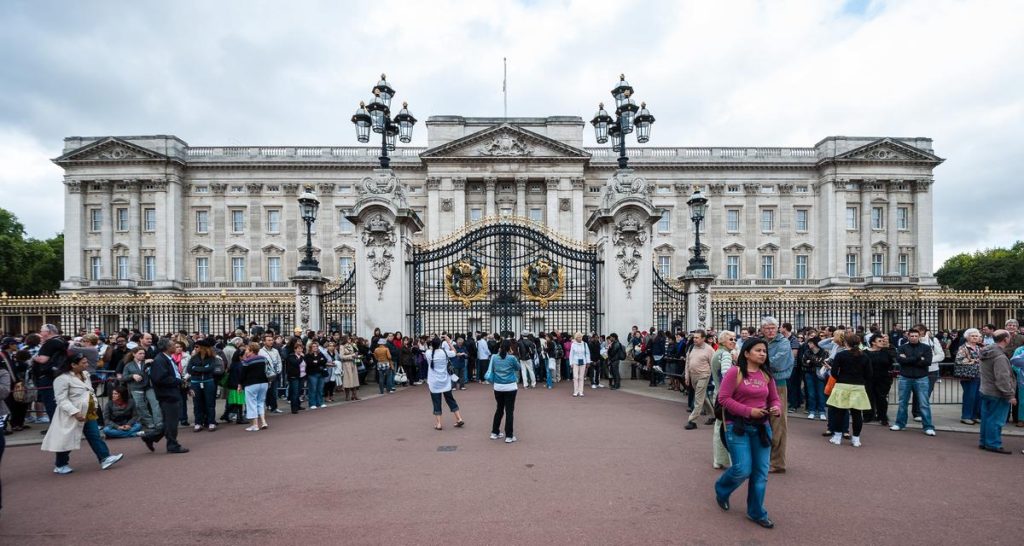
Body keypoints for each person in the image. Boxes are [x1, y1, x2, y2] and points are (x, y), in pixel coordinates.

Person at [714, 338, 781, 529]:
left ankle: (756, 511)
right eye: (758, 350)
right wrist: (748, 411)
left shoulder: (766, 375)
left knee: (760, 473)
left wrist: (776, 408)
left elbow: (775, 399)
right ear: (746, 353)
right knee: (743, 469)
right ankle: (721, 489)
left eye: (764, 351)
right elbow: (724, 398)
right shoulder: (735, 372)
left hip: (762, 427)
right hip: (738, 426)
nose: (762, 354)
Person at [41, 351, 125, 473]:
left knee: (95, 435)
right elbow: (61, 399)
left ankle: (105, 458)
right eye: (83, 362)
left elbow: (89, 391)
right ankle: (60, 465)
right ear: (73, 365)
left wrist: (94, 405)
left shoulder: (85, 374)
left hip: (88, 411)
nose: (87, 364)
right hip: (71, 414)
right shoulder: (62, 379)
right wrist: (74, 412)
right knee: (67, 439)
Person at [142, 339, 189, 454]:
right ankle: (172, 444)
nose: (175, 346)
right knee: (172, 422)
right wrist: (177, 381)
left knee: (169, 421)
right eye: (173, 345)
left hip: (172, 392)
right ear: (167, 348)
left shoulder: (167, 358)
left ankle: (150, 437)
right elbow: (159, 379)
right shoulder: (160, 360)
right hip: (167, 394)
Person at [825, 333, 872, 447]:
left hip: (842, 385)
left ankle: (837, 436)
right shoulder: (864, 356)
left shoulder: (841, 355)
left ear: (846, 343)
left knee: (840, 412)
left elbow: (834, 373)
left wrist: (841, 378)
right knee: (857, 414)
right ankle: (856, 439)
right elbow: (869, 374)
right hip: (858, 386)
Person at [761, 317, 793, 474]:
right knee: (762, 421)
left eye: (773, 328)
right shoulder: (761, 342)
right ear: (762, 330)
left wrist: (758, 361)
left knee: (778, 424)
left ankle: (778, 463)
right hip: (761, 385)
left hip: (778, 386)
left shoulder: (784, 343)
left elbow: (778, 363)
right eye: (767, 328)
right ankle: (765, 459)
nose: (770, 331)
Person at [891, 329, 936, 436]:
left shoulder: (926, 347)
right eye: (912, 336)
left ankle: (928, 426)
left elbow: (927, 362)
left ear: (919, 336)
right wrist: (918, 358)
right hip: (905, 377)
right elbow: (901, 361)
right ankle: (900, 424)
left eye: (916, 336)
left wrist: (909, 359)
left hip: (921, 378)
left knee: (924, 403)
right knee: (902, 402)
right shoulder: (902, 348)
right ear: (908, 336)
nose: (914, 338)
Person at [978, 330, 1016, 453]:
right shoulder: (1000, 357)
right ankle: (993, 443)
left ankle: (984, 441)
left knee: (987, 418)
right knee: (996, 420)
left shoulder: (987, 352)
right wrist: (1010, 395)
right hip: (997, 393)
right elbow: (1002, 378)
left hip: (986, 390)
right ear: (1005, 339)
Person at [426, 336, 465, 430]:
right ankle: (459, 418)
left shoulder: (428, 353)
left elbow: (429, 349)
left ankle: (439, 423)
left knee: (436, 402)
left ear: (432, 345)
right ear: (440, 344)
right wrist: (448, 341)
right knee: (450, 399)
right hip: (445, 381)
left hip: (434, 382)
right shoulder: (444, 352)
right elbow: (455, 352)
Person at [122, 348, 163, 435]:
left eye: (143, 353)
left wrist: (149, 364)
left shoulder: (148, 362)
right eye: (140, 353)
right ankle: (149, 423)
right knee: (140, 406)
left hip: (148, 386)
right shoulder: (128, 365)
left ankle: (158, 422)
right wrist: (132, 375)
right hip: (135, 387)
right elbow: (124, 377)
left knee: (155, 403)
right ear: (134, 354)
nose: (142, 355)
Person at [710, 331, 736, 469]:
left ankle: (719, 459)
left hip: (717, 392)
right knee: (727, 427)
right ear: (722, 341)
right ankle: (729, 459)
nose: (733, 341)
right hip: (725, 396)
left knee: (719, 426)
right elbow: (727, 375)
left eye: (734, 339)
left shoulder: (717, 353)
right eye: (730, 339)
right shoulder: (725, 354)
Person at [487, 339, 520, 443]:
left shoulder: (494, 357)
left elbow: (492, 369)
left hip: (498, 386)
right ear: (509, 348)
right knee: (509, 411)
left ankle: (494, 432)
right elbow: (517, 368)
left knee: (499, 409)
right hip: (510, 386)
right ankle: (509, 435)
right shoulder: (512, 358)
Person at [685, 330, 717, 430]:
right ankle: (713, 416)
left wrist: (715, 378)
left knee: (698, 398)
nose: (694, 339)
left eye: (697, 337)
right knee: (703, 397)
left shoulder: (709, 349)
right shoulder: (691, 347)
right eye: (694, 337)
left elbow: (714, 364)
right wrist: (687, 376)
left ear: (703, 339)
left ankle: (692, 420)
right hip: (692, 375)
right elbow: (687, 362)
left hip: (703, 375)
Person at [188, 339, 219, 432]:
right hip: (195, 383)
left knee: (210, 403)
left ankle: (211, 422)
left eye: (197, 347)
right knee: (197, 403)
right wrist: (202, 368)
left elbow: (210, 368)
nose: (195, 348)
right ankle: (198, 422)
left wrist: (196, 368)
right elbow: (189, 369)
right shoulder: (193, 358)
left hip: (208, 382)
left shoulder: (211, 358)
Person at [954, 328, 984, 425]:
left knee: (978, 397)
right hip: (968, 376)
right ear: (967, 337)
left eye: (976, 336)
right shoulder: (963, 348)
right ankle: (966, 416)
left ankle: (975, 416)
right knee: (969, 396)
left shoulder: (979, 348)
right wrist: (974, 361)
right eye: (972, 336)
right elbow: (959, 360)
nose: (975, 337)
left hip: (979, 375)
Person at [864, 334, 895, 426]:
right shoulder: (865, 352)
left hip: (883, 379)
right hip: (868, 379)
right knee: (869, 397)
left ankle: (882, 416)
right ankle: (868, 416)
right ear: (873, 342)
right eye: (880, 341)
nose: (882, 342)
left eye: (883, 341)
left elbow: (891, 362)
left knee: (881, 398)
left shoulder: (886, 352)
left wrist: (888, 347)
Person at [239, 342, 270, 432]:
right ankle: (264, 422)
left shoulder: (247, 361)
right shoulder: (263, 359)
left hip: (251, 383)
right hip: (264, 383)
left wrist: (240, 384)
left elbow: (242, 374)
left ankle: (255, 425)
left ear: (252, 351)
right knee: (260, 402)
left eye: (247, 350)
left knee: (251, 404)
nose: (246, 351)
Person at [802, 337, 829, 421]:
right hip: (809, 374)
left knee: (820, 393)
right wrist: (816, 361)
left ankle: (822, 411)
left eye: (810, 343)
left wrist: (810, 361)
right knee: (811, 393)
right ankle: (812, 411)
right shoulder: (807, 352)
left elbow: (823, 363)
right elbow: (803, 363)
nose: (808, 344)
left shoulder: (823, 352)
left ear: (815, 343)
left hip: (820, 375)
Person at [259, 334, 283, 414]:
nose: (271, 342)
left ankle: (274, 407)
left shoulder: (275, 351)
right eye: (269, 340)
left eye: (272, 340)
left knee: (274, 391)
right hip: (265, 375)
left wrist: (279, 370)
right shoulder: (260, 351)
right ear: (264, 342)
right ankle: (267, 405)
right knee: (265, 391)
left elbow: (279, 361)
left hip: (274, 374)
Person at [304, 340, 327, 409]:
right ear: (311, 347)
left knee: (320, 389)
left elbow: (324, 360)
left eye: (316, 346)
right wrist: (319, 361)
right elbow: (310, 363)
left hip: (321, 373)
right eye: (313, 346)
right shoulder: (308, 355)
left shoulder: (320, 354)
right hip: (312, 374)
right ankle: (312, 403)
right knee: (313, 389)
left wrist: (317, 361)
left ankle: (320, 402)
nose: (315, 348)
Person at [284, 339, 305, 413]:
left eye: (301, 348)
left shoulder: (303, 356)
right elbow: (296, 363)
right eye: (298, 348)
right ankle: (294, 408)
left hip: (302, 376)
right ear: (295, 349)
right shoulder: (291, 356)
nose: (300, 350)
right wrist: (301, 357)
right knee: (295, 392)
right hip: (294, 377)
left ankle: (298, 405)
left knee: (299, 392)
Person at [569, 332, 591, 397]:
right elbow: (571, 354)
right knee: (575, 377)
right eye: (578, 337)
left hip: (583, 362)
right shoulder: (573, 344)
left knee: (581, 377)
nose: (580, 338)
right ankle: (575, 391)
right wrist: (571, 363)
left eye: (581, 337)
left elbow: (587, 353)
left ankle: (581, 391)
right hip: (575, 362)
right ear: (576, 338)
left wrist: (588, 362)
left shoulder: (585, 344)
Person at [339, 336, 361, 401]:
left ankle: (354, 395)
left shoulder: (351, 345)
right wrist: (352, 355)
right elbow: (341, 356)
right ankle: (347, 396)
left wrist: (356, 356)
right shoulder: (342, 346)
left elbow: (354, 353)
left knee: (354, 379)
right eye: (348, 338)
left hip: (353, 363)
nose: (350, 339)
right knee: (347, 380)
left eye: (350, 339)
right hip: (346, 364)